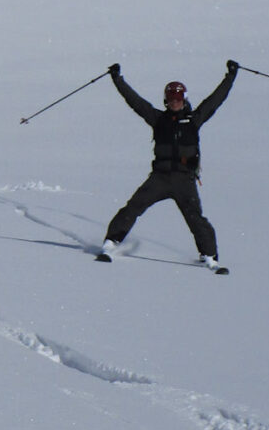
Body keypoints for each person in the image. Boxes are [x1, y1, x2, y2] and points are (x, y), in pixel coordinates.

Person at [96, 60, 238, 272]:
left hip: (184, 180)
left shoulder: (194, 119)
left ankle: (209, 256)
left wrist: (231, 76)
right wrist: (118, 79)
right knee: (133, 207)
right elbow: (135, 102)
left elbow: (215, 101)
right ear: (166, 100)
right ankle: (111, 242)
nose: (175, 103)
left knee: (196, 218)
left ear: (185, 99)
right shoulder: (158, 119)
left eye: (178, 99)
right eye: (171, 99)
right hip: (159, 178)